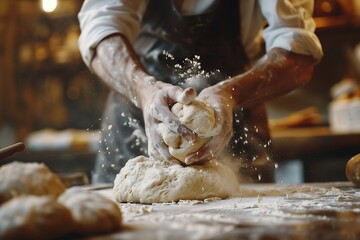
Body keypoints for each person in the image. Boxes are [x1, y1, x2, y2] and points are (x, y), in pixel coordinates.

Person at [78, 0, 323, 183]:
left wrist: (230, 93)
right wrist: (144, 89)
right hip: (135, 121)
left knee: (245, 223)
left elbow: (298, 50)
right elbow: (100, 27)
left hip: (234, 118)